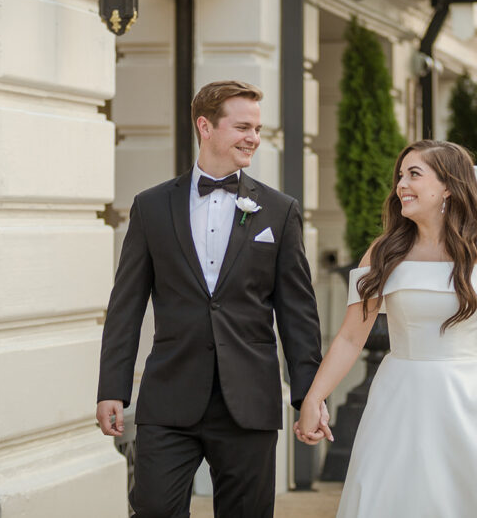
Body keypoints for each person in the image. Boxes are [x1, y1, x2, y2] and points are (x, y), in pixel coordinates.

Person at [295, 140, 477, 517]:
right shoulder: (383, 253)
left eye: (414, 174)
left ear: (448, 186)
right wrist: (315, 398)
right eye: (400, 176)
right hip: (400, 398)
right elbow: (349, 336)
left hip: (470, 396)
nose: (401, 185)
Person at [96, 80, 328, 518]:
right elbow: (126, 304)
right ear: (205, 126)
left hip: (249, 401)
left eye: (257, 129)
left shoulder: (280, 211)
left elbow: (298, 313)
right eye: (243, 127)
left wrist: (308, 397)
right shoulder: (151, 207)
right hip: (169, 398)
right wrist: (113, 387)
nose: (253, 138)